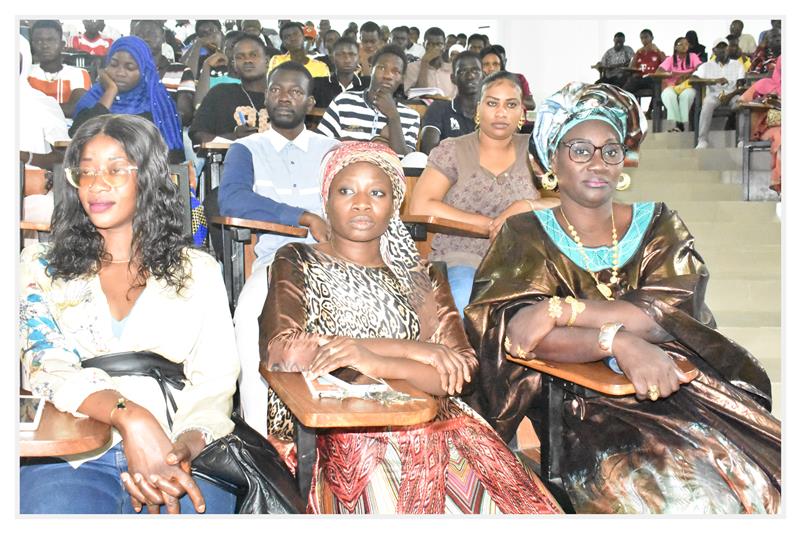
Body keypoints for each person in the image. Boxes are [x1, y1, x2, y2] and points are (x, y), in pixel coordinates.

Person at [463, 80, 781, 514]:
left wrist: (560, 310)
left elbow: (663, 313)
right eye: (580, 150)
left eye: (610, 150)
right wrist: (616, 340)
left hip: (677, 387)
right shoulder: (524, 235)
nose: (598, 162)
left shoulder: (658, 224)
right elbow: (516, 332)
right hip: (580, 409)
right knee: (683, 498)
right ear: (550, 160)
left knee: (760, 477)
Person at [260, 140, 562, 515]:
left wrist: (375, 360)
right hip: (344, 432)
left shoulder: (423, 276)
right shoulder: (298, 260)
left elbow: (460, 372)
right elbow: (283, 350)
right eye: (345, 190)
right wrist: (414, 350)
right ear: (326, 198)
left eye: (377, 192)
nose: (361, 202)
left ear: (395, 203)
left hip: (441, 426)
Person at [19, 114, 240, 514]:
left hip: (178, 446)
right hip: (74, 451)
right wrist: (131, 418)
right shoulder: (41, 265)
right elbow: (47, 366)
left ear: (150, 178)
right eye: (85, 172)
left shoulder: (197, 270)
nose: (97, 184)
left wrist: (178, 452)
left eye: (116, 169)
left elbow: (216, 380)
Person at [218, 62, 339, 438]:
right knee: (250, 316)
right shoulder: (246, 149)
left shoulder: (332, 150)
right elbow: (232, 200)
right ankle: (256, 439)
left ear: (311, 102)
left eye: (295, 91)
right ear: (265, 97)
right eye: (276, 90)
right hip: (275, 262)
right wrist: (302, 216)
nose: (284, 97)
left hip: (334, 261)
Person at [408, 72, 559, 315]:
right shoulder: (453, 150)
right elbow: (421, 205)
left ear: (522, 111)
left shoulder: (534, 152)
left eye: (511, 105)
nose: (501, 113)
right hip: (462, 256)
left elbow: (568, 203)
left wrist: (526, 205)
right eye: (492, 103)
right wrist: (490, 225)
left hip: (524, 259)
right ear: (478, 108)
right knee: (465, 302)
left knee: (551, 311)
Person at [70, 36, 185, 165]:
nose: (120, 72)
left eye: (129, 67)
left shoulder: (156, 104)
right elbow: (78, 137)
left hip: (144, 175)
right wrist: (110, 92)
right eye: (113, 65)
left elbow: (171, 155)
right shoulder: (94, 97)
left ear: (143, 71)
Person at [317, 45, 420, 156]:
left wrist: (394, 117)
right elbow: (320, 144)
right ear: (371, 69)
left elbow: (405, 160)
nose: (388, 76)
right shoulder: (343, 102)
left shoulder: (411, 116)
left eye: (396, 72)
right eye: (382, 68)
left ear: (402, 79)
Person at [189, 34, 269, 145]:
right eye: (240, 57)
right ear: (234, 64)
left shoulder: (282, 95)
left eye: (253, 55)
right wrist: (234, 137)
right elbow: (198, 136)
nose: (247, 60)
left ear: (267, 60)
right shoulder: (220, 94)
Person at [132, 20, 195, 127]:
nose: (144, 38)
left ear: (163, 36)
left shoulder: (181, 71)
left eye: (150, 33)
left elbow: (185, 115)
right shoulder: (127, 72)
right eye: (138, 35)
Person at [419, 51, 483, 154]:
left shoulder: (491, 112)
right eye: (462, 72)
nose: (470, 76)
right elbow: (429, 151)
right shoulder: (438, 108)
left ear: (483, 76)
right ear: (453, 78)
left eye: (475, 71)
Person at [28, 19, 91, 118]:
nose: (45, 45)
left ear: (62, 44)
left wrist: (32, 107)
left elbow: (76, 108)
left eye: (51, 40)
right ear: (32, 45)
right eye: (39, 41)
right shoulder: (25, 73)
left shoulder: (79, 73)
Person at [692, 40, 745, 149]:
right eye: (719, 47)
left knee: (742, 103)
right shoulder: (706, 66)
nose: (722, 50)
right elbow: (693, 79)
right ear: (714, 51)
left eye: (724, 47)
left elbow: (741, 87)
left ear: (728, 48)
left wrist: (729, 96)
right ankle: (702, 140)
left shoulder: (738, 65)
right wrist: (713, 81)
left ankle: (742, 140)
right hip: (714, 95)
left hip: (732, 94)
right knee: (707, 104)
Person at [740, 55, 781, 194]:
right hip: (770, 126)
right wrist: (762, 101)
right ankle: (781, 184)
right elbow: (740, 102)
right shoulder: (765, 84)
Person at [653, 37, 702, 132]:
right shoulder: (670, 59)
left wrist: (687, 75)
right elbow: (658, 72)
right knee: (668, 95)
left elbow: (700, 68)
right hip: (672, 86)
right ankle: (677, 123)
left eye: (687, 44)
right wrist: (674, 75)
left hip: (688, 86)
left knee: (686, 96)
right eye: (681, 44)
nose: (685, 46)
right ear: (675, 47)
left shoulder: (692, 56)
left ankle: (681, 124)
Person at [312, 37, 370, 109]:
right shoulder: (317, 84)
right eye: (341, 54)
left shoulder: (368, 85)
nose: (347, 60)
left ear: (358, 59)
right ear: (332, 59)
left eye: (352, 54)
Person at [478, 45, 536, 112]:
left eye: (495, 64)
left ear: (501, 66)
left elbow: (531, 104)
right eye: (486, 64)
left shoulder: (517, 79)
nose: (491, 68)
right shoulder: (475, 85)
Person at [622, 29, 666, 113]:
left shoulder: (658, 52)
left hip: (652, 79)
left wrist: (658, 51)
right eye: (642, 38)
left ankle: (650, 111)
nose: (644, 40)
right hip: (640, 78)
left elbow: (666, 64)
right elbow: (631, 67)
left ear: (652, 38)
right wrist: (636, 56)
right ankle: (625, 107)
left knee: (658, 87)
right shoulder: (639, 52)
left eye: (646, 37)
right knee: (629, 83)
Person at [403, 27, 455, 98]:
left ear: (444, 46)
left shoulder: (452, 69)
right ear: (424, 44)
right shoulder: (411, 68)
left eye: (439, 44)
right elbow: (418, 96)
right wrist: (424, 63)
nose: (434, 48)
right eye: (430, 44)